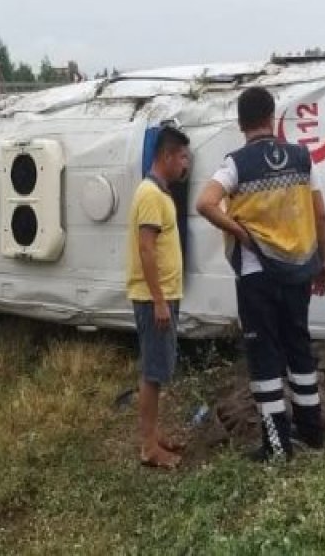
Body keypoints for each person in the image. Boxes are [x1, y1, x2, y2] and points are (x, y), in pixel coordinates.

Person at [196, 87, 325, 462]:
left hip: (257, 275)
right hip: (299, 272)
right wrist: (322, 263)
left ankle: (276, 446)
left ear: (241, 124)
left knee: (265, 356)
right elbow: (321, 215)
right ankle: (312, 433)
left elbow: (204, 202)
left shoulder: (235, 164)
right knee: (299, 348)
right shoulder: (303, 158)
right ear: (273, 117)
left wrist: (239, 231)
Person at [126, 125, 192, 469]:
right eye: (182, 157)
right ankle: (149, 448)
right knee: (153, 372)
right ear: (166, 156)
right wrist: (159, 300)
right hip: (155, 298)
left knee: (158, 369)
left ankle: (154, 435)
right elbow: (146, 248)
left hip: (162, 295)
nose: (186, 165)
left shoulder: (160, 193)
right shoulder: (151, 194)